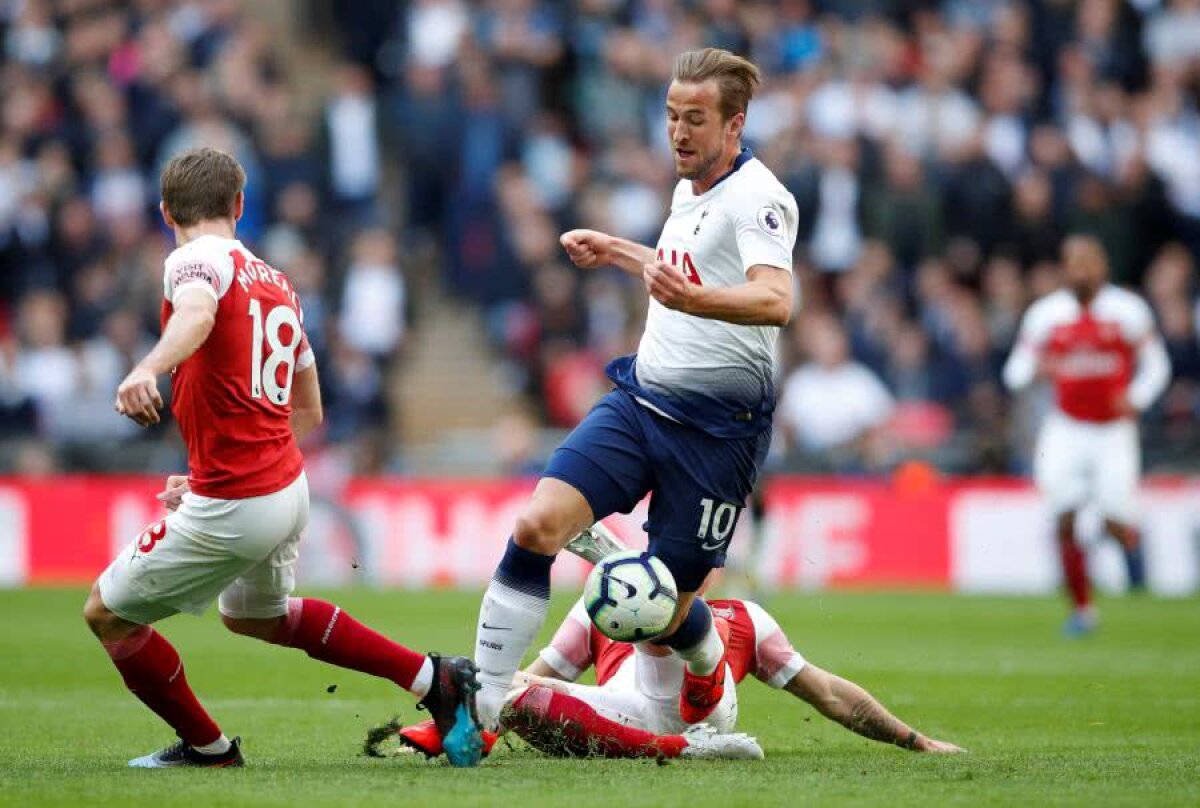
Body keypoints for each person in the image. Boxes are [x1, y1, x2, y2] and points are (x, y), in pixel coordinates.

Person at [81, 147, 481, 769]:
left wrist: (146, 368)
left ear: (165, 213)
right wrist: (220, 464)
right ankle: (434, 678)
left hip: (240, 501)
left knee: (107, 615)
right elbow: (308, 409)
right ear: (239, 205)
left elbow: (196, 312)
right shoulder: (279, 284)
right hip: (285, 490)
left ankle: (207, 749)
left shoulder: (192, 261)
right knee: (256, 617)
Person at [470, 48, 799, 762]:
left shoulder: (760, 198)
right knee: (536, 525)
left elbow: (777, 298)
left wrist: (697, 300)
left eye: (696, 119)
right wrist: (620, 250)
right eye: (672, 116)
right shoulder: (690, 187)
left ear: (735, 124)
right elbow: (680, 268)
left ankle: (707, 677)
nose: (677, 132)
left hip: (717, 437)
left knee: (665, 611)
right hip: (642, 402)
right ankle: (482, 706)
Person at [400, 594, 963, 760]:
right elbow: (526, 682)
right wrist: (468, 720)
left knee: (700, 652)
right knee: (508, 691)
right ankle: (680, 748)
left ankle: (693, 699)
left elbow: (830, 693)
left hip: (709, 711)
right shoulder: (599, 600)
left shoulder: (745, 616)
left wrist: (915, 741)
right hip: (623, 710)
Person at [1003, 235, 1171, 636]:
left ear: (1103, 267)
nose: (1081, 270)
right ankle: (1082, 609)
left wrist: (1137, 396)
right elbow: (1014, 371)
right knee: (1063, 516)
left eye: (1088, 263)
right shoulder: (1047, 315)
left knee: (1117, 521)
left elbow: (1157, 364)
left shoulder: (1128, 311)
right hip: (1067, 427)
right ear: (1065, 268)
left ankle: (1133, 562)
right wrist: (1036, 369)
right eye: (1074, 263)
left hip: (1113, 431)